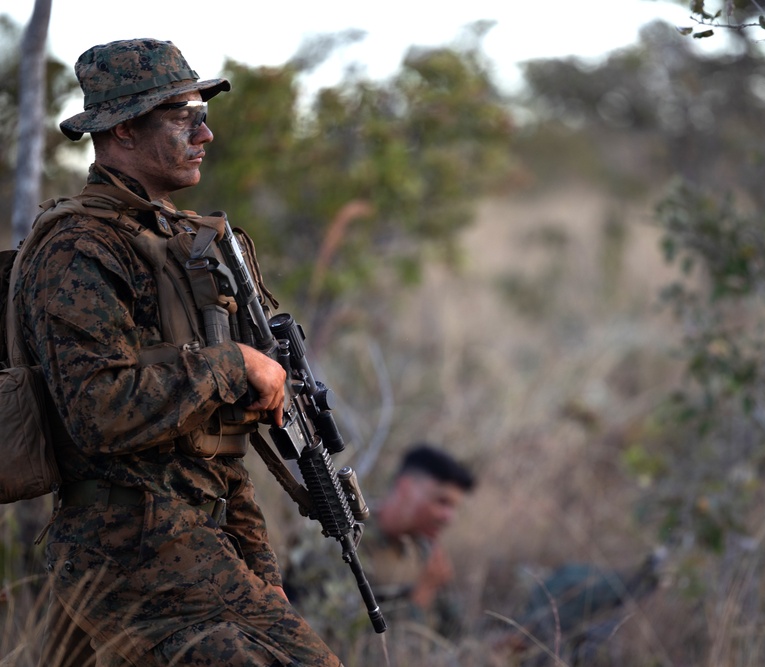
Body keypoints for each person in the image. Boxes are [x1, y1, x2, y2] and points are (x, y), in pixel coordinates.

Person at [13, 39, 342, 666]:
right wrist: (233, 364)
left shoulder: (180, 245)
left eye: (203, 113)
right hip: (125, 555)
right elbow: (98, 410)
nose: (206, 133)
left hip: (198, 542)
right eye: (182, 115)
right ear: (126, 130)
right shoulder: (79, 250)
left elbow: (216, 444)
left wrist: (258, 566)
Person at [359, 444, 476, 633]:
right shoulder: (347, 541)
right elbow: (349, 643)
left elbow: (456, 634)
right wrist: (421, 596)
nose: (449, 518)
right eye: (442, 501)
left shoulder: (424, 549)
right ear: (406, 488)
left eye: (454, 508)